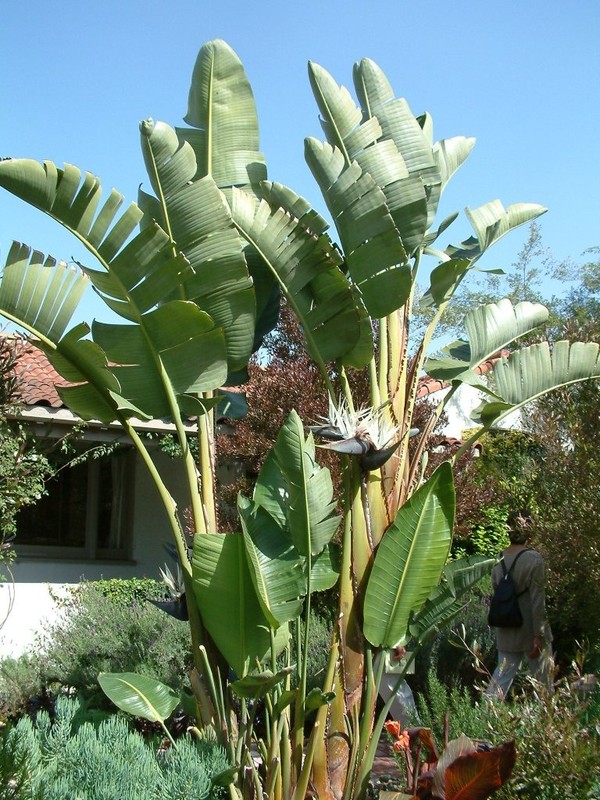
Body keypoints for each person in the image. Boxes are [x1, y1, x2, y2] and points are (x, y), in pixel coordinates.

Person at [485, 510, 553, 700]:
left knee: (500, 679)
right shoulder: (534, 559)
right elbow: (538, 599)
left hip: (506, 627)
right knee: (544, 681)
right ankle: (548, 723)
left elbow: (496, 590)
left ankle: (481, 718)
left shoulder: (499, 559)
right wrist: (538, 634)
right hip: (530, 629)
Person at [375, 645, 419, 725]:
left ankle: (414, 731)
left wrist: (398, 643)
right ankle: (413, 730)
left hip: (383, 648)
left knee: (399, 698)